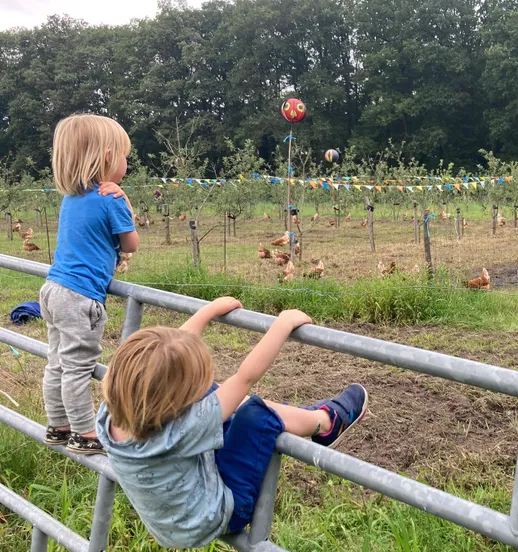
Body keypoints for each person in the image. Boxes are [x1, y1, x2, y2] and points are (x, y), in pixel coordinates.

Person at [96, 298, 368, 548]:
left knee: (211, 395)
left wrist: (208, 311)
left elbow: (161, 362)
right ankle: (326, 422)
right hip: (219, 515)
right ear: (167, 403)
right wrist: (282, 324)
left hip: (168, 524)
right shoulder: (179, 431)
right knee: (254, 414)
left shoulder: (109, 414)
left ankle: (289, 415)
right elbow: (244, 378)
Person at [41, 114, 139, 455]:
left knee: (57, 361)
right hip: (80, 295)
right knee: (78, 367)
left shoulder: (72, 197)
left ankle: (58, 425)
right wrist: (125, 201)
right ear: (109, 156)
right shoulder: (110, 199)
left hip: (53, 289)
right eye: (125, 156)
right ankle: (85, 433)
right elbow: (130, 244)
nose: (127, 163)